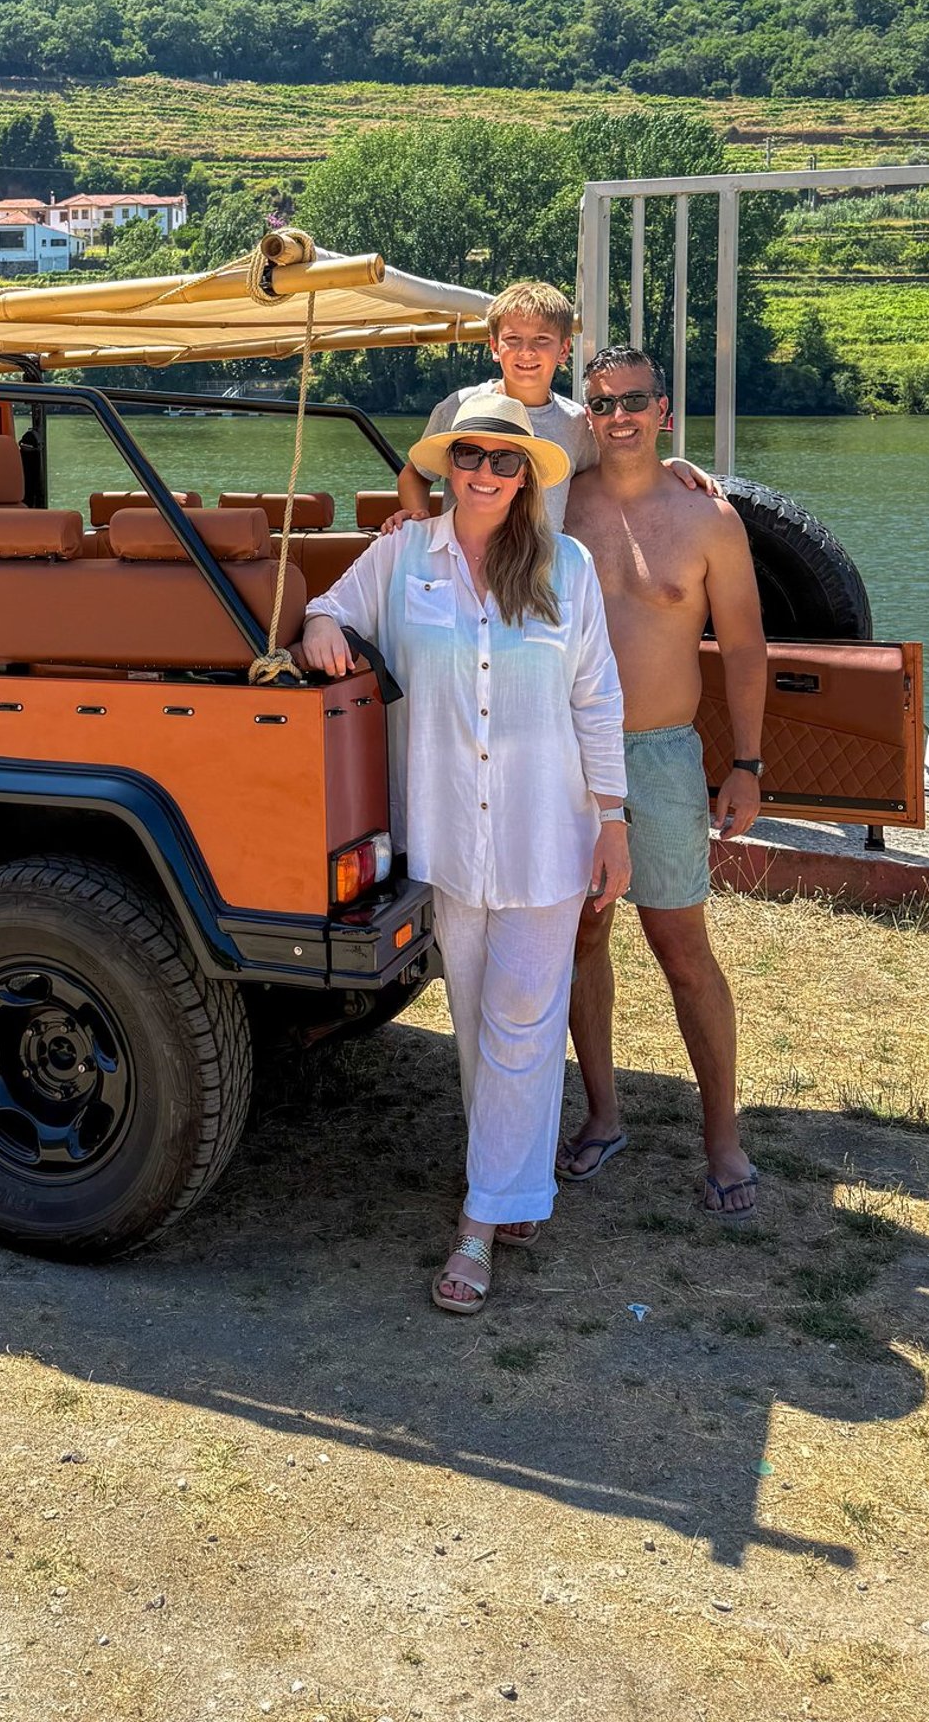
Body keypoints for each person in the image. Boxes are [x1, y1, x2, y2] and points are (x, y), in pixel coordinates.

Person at [298, 392, 631, 1314]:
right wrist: (325, 627)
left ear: (528, 474)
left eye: (507, 460)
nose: (487, 473)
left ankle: (479, 1225)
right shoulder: (404, 554)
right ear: (450, 463)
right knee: (482, 1019)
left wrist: (614, 818)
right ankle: (518, 1184)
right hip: (449, 834)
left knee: (525, 1018)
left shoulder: (566, 565)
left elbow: (597, 699)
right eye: (473, 456)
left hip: (547, 832)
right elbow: (327, 608)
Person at [560, 345, 768, 1222]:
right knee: (579, 939)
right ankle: (603, 1115)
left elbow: (747, 647)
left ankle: (722, 1137)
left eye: (635, 401)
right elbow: (467, 474)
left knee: (682, 950)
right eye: (603, 402)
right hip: (565, 752)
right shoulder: (558, 502)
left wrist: (747, 765)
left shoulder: (708, 519)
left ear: (665, 410)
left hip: (659, 755)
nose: (620, 416)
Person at [391, 278, 718, 535]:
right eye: (513, 340)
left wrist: (671, 465)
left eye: (541, 341)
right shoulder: (460, 407)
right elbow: (416, 474)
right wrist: (419, 521)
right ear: (494, 346)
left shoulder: (576, 422)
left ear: (563, 350)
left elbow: (617, 471)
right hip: (463, 564)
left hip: (543, 575)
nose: (527, 352)